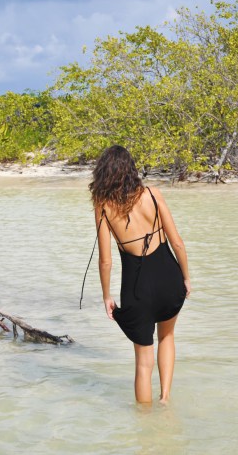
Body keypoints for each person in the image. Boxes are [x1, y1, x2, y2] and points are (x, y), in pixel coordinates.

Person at [89, 145, 191, 404]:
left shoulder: (103, 205)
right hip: (169, 278)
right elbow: (177, 243)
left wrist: (106, 295)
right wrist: (186, 278)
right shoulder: (153, 195)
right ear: (131, 170)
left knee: (143, 363)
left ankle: (145, 427)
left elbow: (105, 260)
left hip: (136, 288)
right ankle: (165, 398)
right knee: (167, 336)